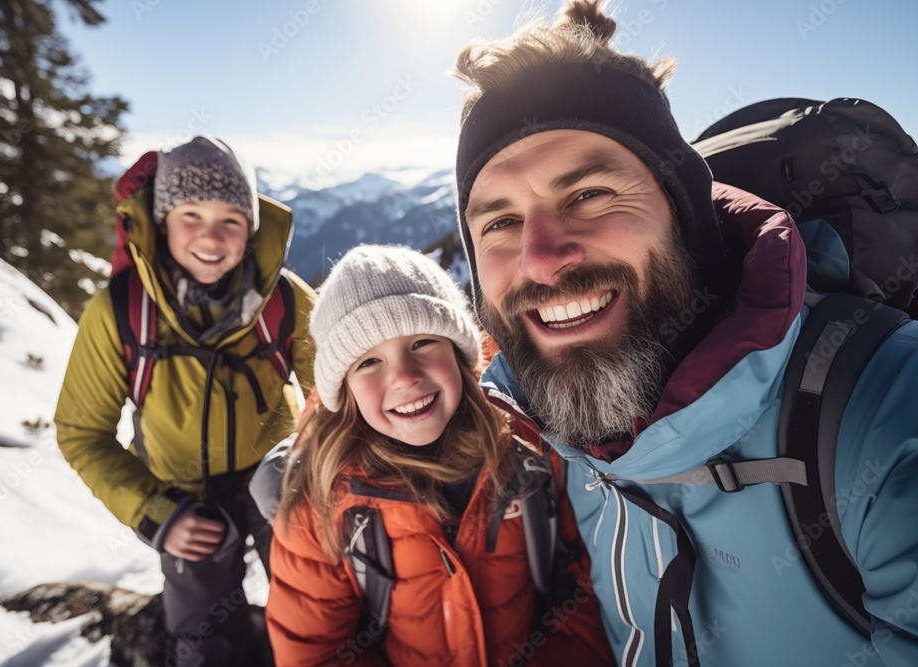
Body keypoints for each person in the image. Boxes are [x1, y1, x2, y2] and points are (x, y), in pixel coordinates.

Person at [451, 2, 918, 666]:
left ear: (685, 213)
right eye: (498, 222)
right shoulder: (551, 429)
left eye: (588, 194)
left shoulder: (884, 419)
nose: (541, 257)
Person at [265, 244, 613, 667]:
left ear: (460, 353)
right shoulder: (321, 505)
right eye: (369, 361)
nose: (405, 377)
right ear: (346, 391)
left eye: (423, 342)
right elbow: (316, 652)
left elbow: (594, 579)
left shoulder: (532, 445)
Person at [54, 136, 316, 666]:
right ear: (162, 220)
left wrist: (317, 471)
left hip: (279, 480)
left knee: (316, 609)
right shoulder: (121, 313)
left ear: (252, 226)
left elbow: (339, 395)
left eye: (230, 221)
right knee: (202, 634)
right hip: (180, 494)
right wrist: (156, 512)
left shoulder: (285, 299)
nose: (211, 238)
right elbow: (82, 433)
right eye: (190, 215)